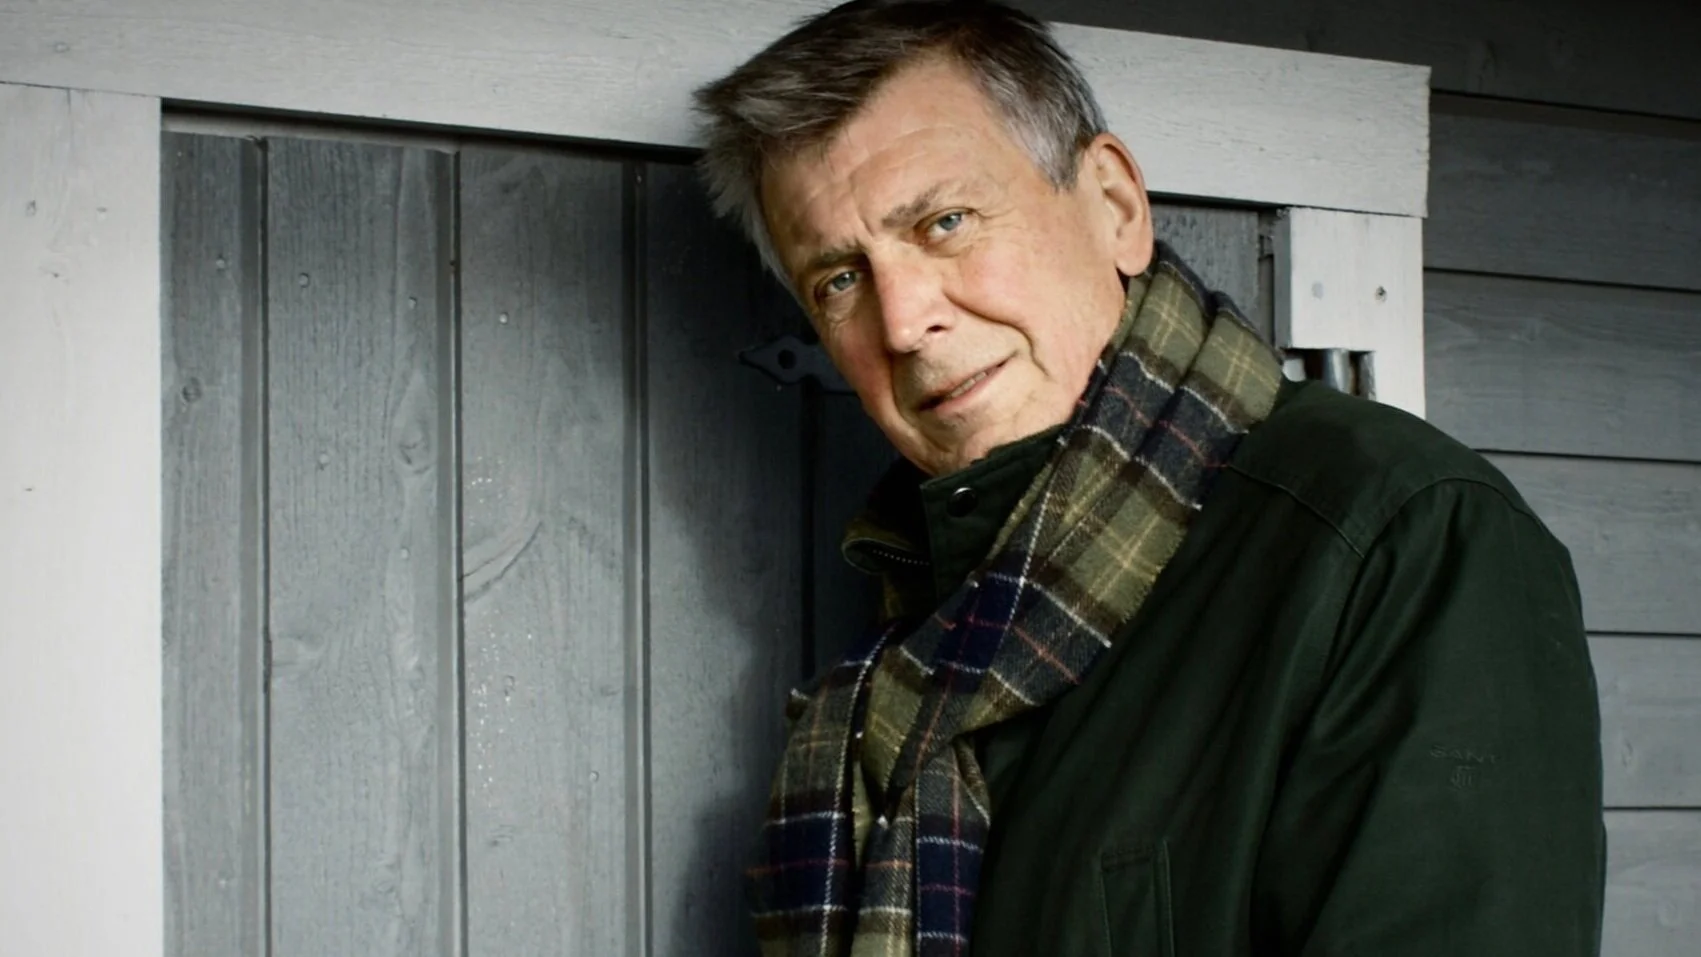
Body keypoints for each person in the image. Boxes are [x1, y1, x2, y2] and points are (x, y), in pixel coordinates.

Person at [693, 2, 1606, 954]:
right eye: (839, 278)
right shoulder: (921, 636)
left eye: (945, 221)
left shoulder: (1395, 538)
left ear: (1115, 208)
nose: (901, 320)